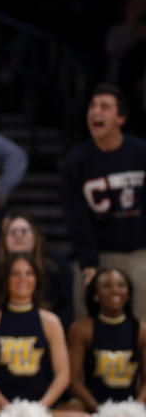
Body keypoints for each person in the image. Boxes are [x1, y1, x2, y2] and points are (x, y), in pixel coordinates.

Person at [0, 254, 94, 417]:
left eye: (28, 273)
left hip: (42, 409)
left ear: (37, 279)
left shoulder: (50, 321)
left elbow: (63, 375)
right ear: (5, 280)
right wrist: (6, 407)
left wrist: (39, 409)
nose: (22, 279)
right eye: (15, 274)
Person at [62, 84, 146, 321]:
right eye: (92, 106)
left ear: (120, 118)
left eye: (104, 107)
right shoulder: (77, 161)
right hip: (99, 256)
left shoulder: (141, 153)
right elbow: (75, 216)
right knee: (87, 324)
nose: (95, 112)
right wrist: (88, 263)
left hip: (141, 255)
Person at [0, 211, 73, 329]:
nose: (18, 235)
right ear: (4, 240)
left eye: (24, 231)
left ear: (35, 238)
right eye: (12, 232)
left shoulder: (55, 271)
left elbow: (65, 313)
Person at [67, 268, 146, 411]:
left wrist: (136, 410)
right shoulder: (81, 329)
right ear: (96, 294)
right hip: (92, 407)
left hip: (132, 409)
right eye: (107, 286)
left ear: (128, 293)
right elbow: (72, 380)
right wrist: (98, 409)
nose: (115, 290)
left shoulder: (141, 330)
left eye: (121, 285)